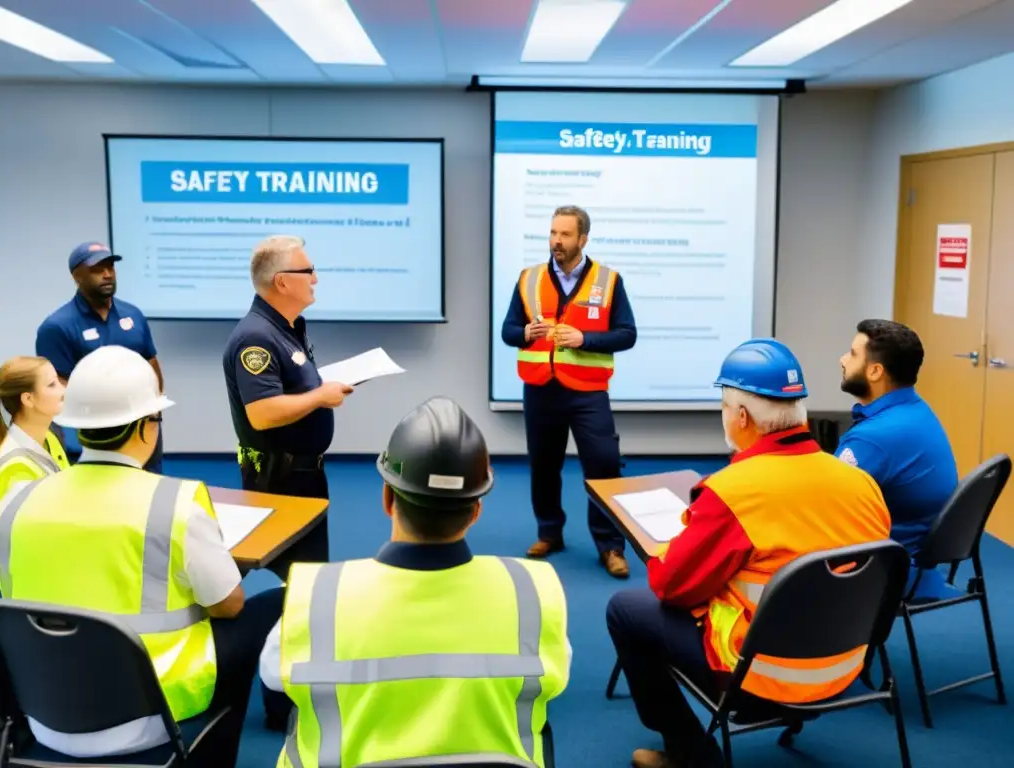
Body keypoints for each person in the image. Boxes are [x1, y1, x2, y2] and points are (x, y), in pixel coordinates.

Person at [0, 345, 282, 767]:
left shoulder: (13, 508)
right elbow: (228, 604)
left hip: (44, 715)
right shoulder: (175, 503)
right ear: (148, 427)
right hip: (148, 715)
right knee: (275, 599)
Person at [605, 338, 891, 768]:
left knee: (626, 609)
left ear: (741, 417)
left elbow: (672, 589)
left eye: (723, 407)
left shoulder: (732, 494)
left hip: (762, 677)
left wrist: (674, 546)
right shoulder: (861, 483)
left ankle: (690, 755)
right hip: (846, 667)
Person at [259, 397, 570, 768]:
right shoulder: (532, 593)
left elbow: (273, 681)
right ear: (476, 511)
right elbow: (556, 674)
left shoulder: (316, 597)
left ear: (388, 498)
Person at [501, 205, 637, 578]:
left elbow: (627, 334)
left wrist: (585, 338)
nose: (556, 242)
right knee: (544, 467)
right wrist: (527, 333)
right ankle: (549, 533)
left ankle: (610, 546)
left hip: (588, 392)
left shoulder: (608, 280)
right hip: (541, 390)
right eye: (552, 234)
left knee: (604, 466)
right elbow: (508, 331)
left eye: (564, 235)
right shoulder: (529, 279)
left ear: (583, 239)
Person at [222, 235, 349, 581]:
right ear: (281, 281)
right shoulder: (256, 338)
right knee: (303, 581)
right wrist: (321, 397)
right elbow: (262, 413)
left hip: (301, 476)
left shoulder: (287, 327)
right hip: (279, 480)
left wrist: (320, 389)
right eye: (308, 270)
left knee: (305, 578)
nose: (315, 278)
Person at [836, 319, 959, 600]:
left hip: (888, 565)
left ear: (875, 371)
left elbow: (824, 504)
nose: (843, 359)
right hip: (917, 554)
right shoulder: (915, 409)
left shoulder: (873, 438)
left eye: (853, 354)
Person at [35, 241, 166, 473]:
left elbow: (151, 363)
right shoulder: (57, 326)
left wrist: (154, 411)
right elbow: (57, 386)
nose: (107, 274)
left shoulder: (133, 315)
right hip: (96, 432)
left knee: (149, 488)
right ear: (77, 276)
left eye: (111, 268)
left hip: (141, 426)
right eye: (97, 269)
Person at [0, 356, 69, 601]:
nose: (63, 390)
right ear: (28, 398)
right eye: (52, 384)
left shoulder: (50, 440)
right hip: (34, 595)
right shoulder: (15, 467)